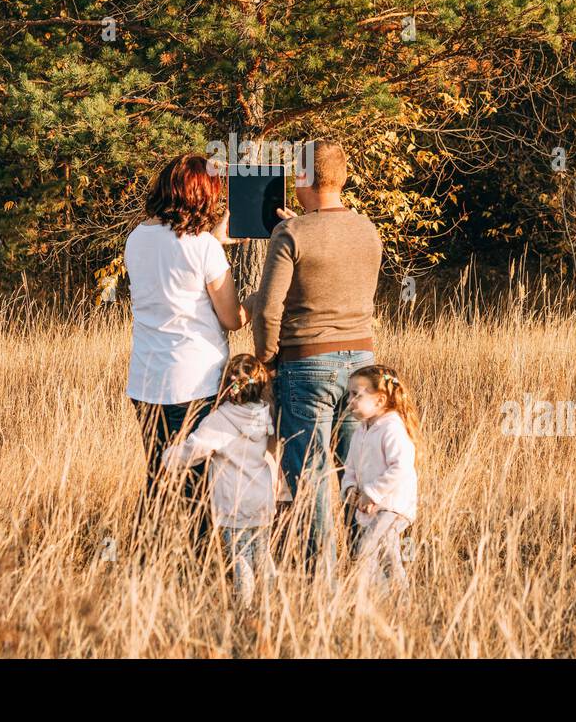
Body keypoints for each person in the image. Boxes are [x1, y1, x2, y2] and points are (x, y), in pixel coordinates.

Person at [248, 140, 382, 579]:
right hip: (362, 364)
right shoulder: (368, 229)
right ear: (340, 178)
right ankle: (365, 565)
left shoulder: (291, 235)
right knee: (355, 471)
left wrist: (266, 359)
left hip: (306, 363)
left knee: (310, 474)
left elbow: (269, 307)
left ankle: (319, 575)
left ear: (303, 179)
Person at [124, 154, 248, 535]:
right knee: (198, 483)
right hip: (194, 382)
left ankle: (149, 553)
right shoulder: (204, 249)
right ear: (201, 195)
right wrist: (256, 302)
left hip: (146, 380)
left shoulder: (136, 238)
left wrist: (213, 243)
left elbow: (172, 270)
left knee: (159, 476)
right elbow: (232, 318)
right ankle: (201, 564)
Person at [161, 354, 279, 608]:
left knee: (241, 559)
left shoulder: (220, 420)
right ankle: (271, 602)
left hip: (233, 501)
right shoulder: (264, 415)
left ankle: (244, 607)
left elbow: (195, 449)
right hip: (261, 498)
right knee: (262, 554)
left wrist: (167, 457)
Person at [342, 365, 419, 593]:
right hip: (372, 507)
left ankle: (381, 599)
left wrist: (372, 493)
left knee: (367, 550)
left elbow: (401, 466)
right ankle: (396, 602)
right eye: (349, 394)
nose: (350, 400)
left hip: (393, 505)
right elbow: (351, 467)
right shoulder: (361, 430)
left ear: (379, 400)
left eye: (357, 395)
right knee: (389, 556)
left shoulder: (392, 428)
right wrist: (349, 489)